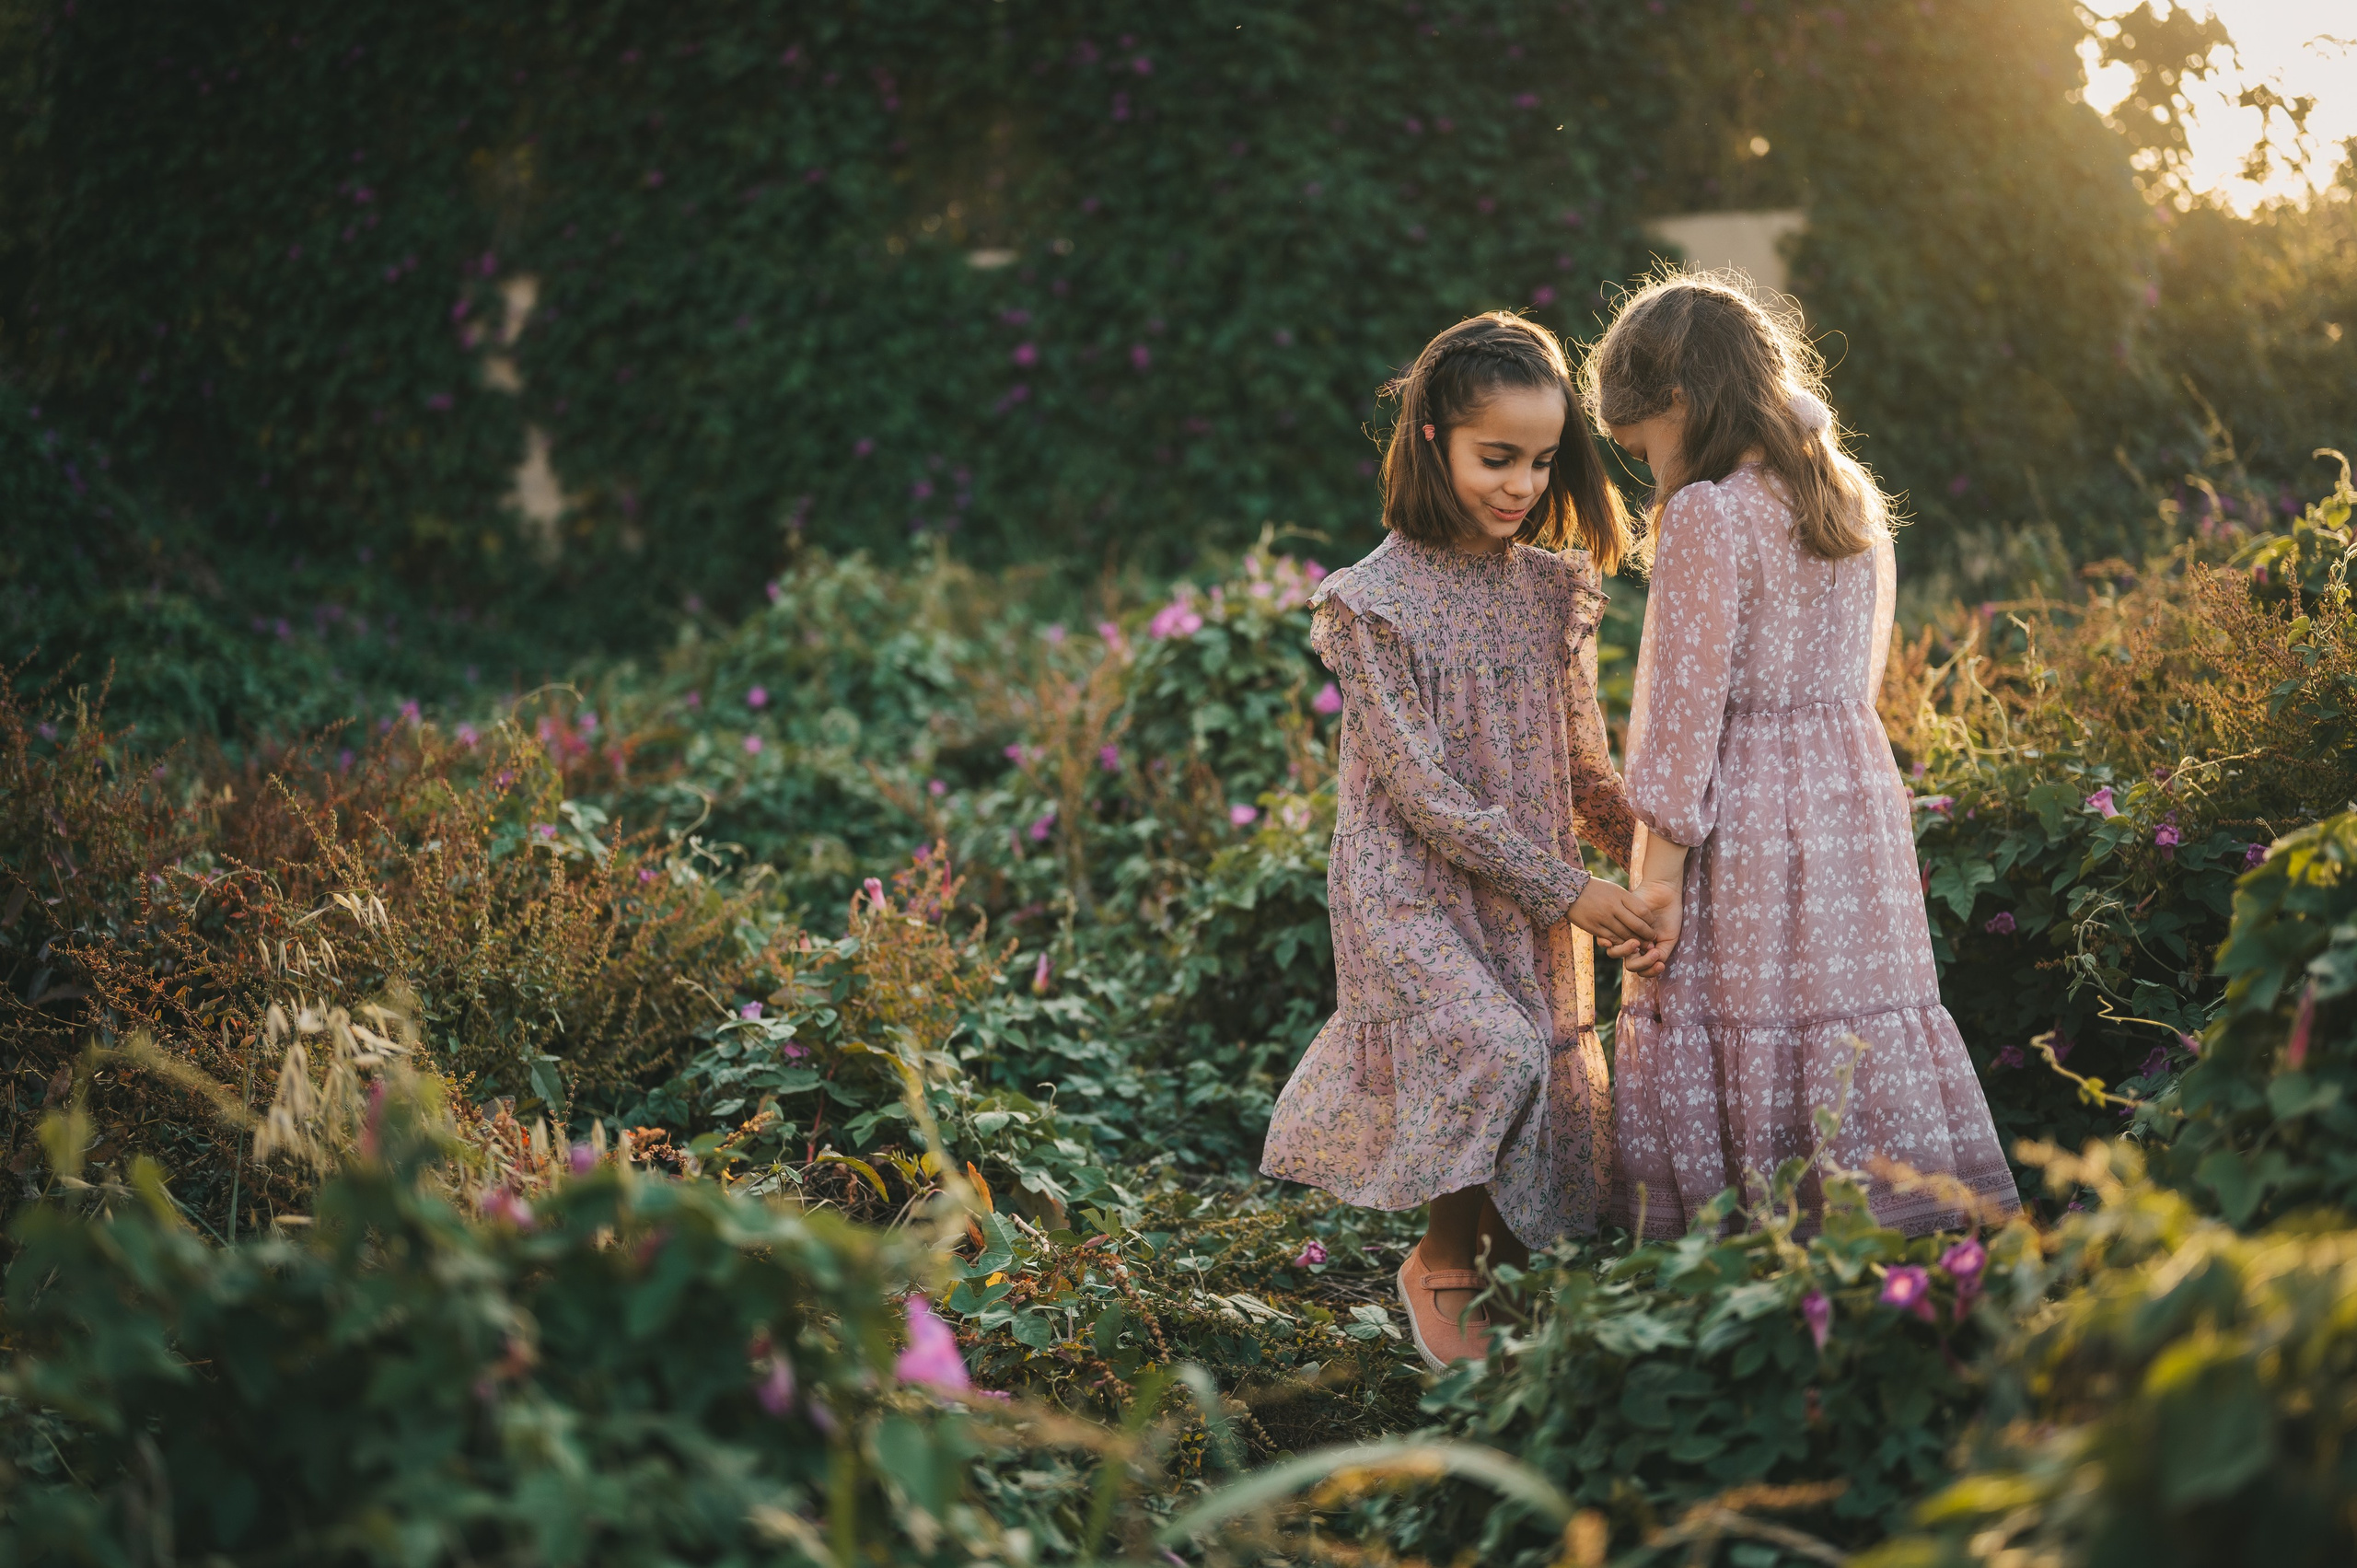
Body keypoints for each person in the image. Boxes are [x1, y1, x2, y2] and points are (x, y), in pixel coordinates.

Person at [1260, 312, 1659, 1372]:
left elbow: (1583, 769)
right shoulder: (1369, 603)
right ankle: (1441, 1257)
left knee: (1539, 1066)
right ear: (1431, 438)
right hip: (1407, 888)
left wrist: (1663, 858)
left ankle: (1513, 1268)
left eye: (1539, 459)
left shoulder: (1550, 591)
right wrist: (1571, 890)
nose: (1522, 484)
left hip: (1525, 883)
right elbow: (1423, 793)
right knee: (1491, 1046)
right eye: (1497, 457)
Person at [1587, 271, 2019, 1237]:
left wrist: (1653, 888)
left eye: (1639, 445)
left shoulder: (1708, 513)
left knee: (1736, 1023)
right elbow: (1858, 682)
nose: (1644, 468)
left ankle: (1746, 1261)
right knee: (1849, 1016)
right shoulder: (1844, 489)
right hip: (1851, 806)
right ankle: (1891, 1250)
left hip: (1744, 823)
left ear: (1677, 406)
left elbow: (1678, 719)